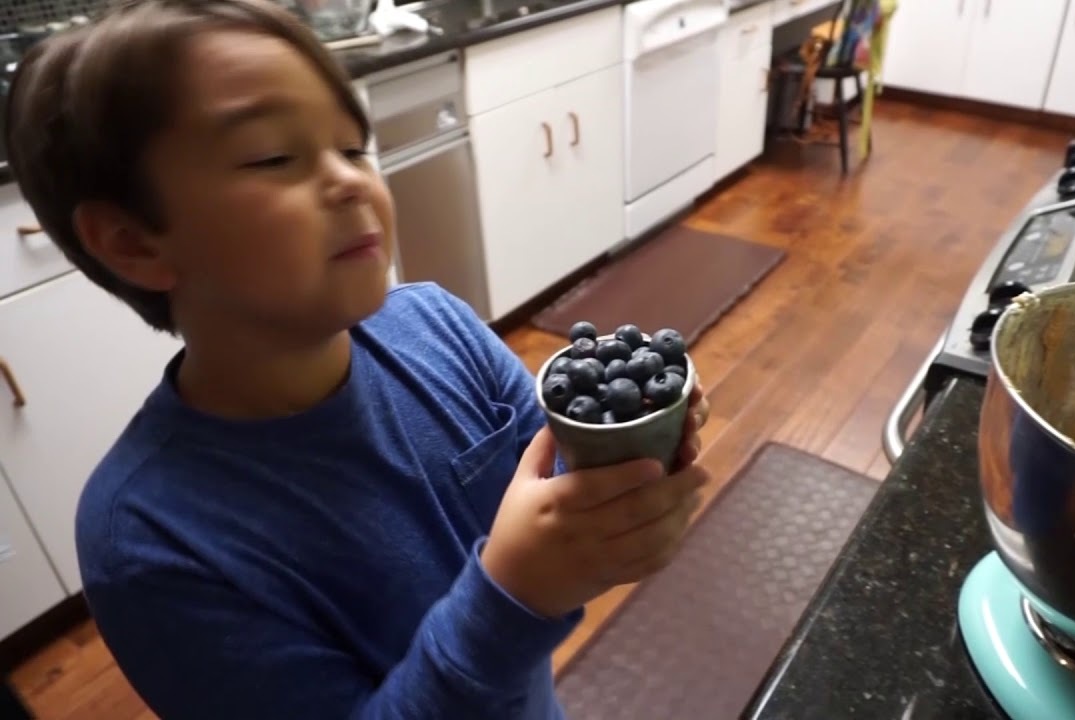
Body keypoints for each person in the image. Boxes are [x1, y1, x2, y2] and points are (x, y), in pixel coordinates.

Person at [3, 1, 710, 718]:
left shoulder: (438, 324)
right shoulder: (151, 545)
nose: (351, 182)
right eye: (273, 157)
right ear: (133, 242)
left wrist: (627, 456)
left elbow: (552, 482)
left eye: (352, 148)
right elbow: (517, 588)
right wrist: (514, 597)